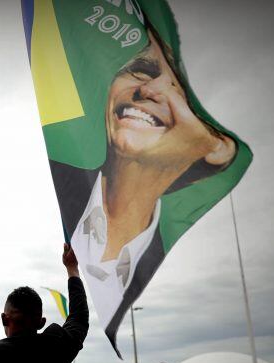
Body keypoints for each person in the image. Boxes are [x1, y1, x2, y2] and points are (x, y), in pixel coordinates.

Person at [50, 28, 238, 342]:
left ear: (217, 146)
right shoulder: (62, 179)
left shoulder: (163, 257)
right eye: (142, 71)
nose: (148, 90)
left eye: (177, 90)